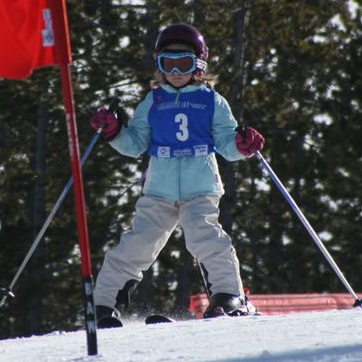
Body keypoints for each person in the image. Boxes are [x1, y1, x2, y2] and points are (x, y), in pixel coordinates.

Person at [90, 23, 264, 324]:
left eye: (182, 63)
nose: (175, 71)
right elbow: (136, 144)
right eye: (166, 64)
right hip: (160, 188)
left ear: (199, 63)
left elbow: (225, 144)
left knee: (206, 237)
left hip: (200, 186)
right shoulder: (153, 102)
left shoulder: (212, 101)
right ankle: (104, 304)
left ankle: (228, 296)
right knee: (137, 243)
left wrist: (242, 144)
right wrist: (115, 132)